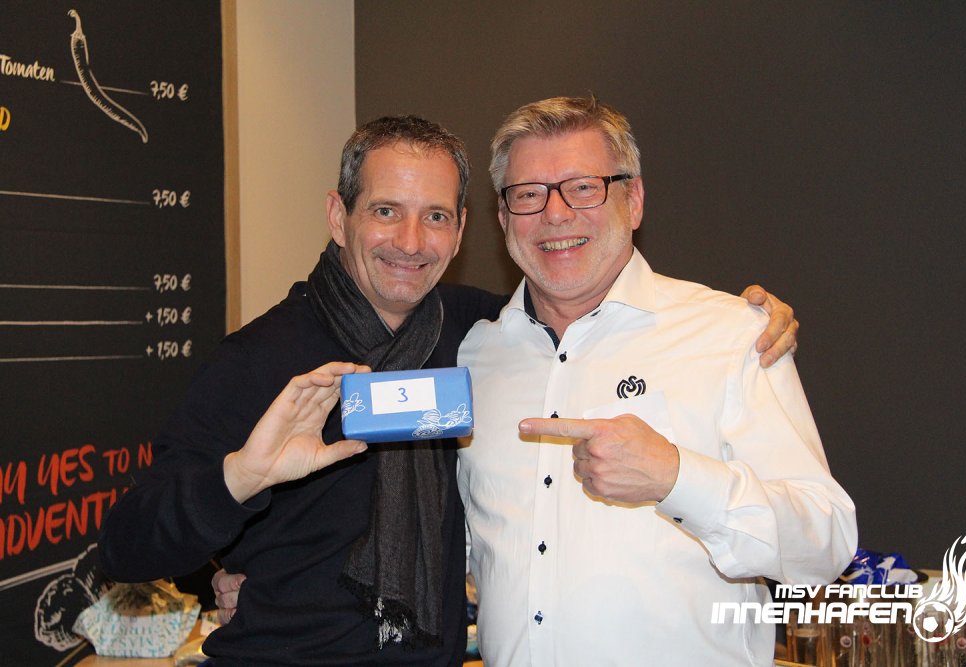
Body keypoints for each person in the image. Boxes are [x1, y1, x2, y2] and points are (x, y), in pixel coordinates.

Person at [101, 114, 798, 666]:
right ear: (339, 216)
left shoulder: (482, 337)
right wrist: (239, 480)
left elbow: (586, 317)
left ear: (462, 230)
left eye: (435, 215)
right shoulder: (258, 361)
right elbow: (128, 548)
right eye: (385, 211)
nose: (411, 241)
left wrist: (743, 320)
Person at [452, 96, 858, 666]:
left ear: (634, 200)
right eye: (528, 194)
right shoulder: (473, 356)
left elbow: (826, 542)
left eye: (584, 187)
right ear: (502, 217)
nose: (556, 214)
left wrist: (676, 476)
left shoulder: (731, 334)